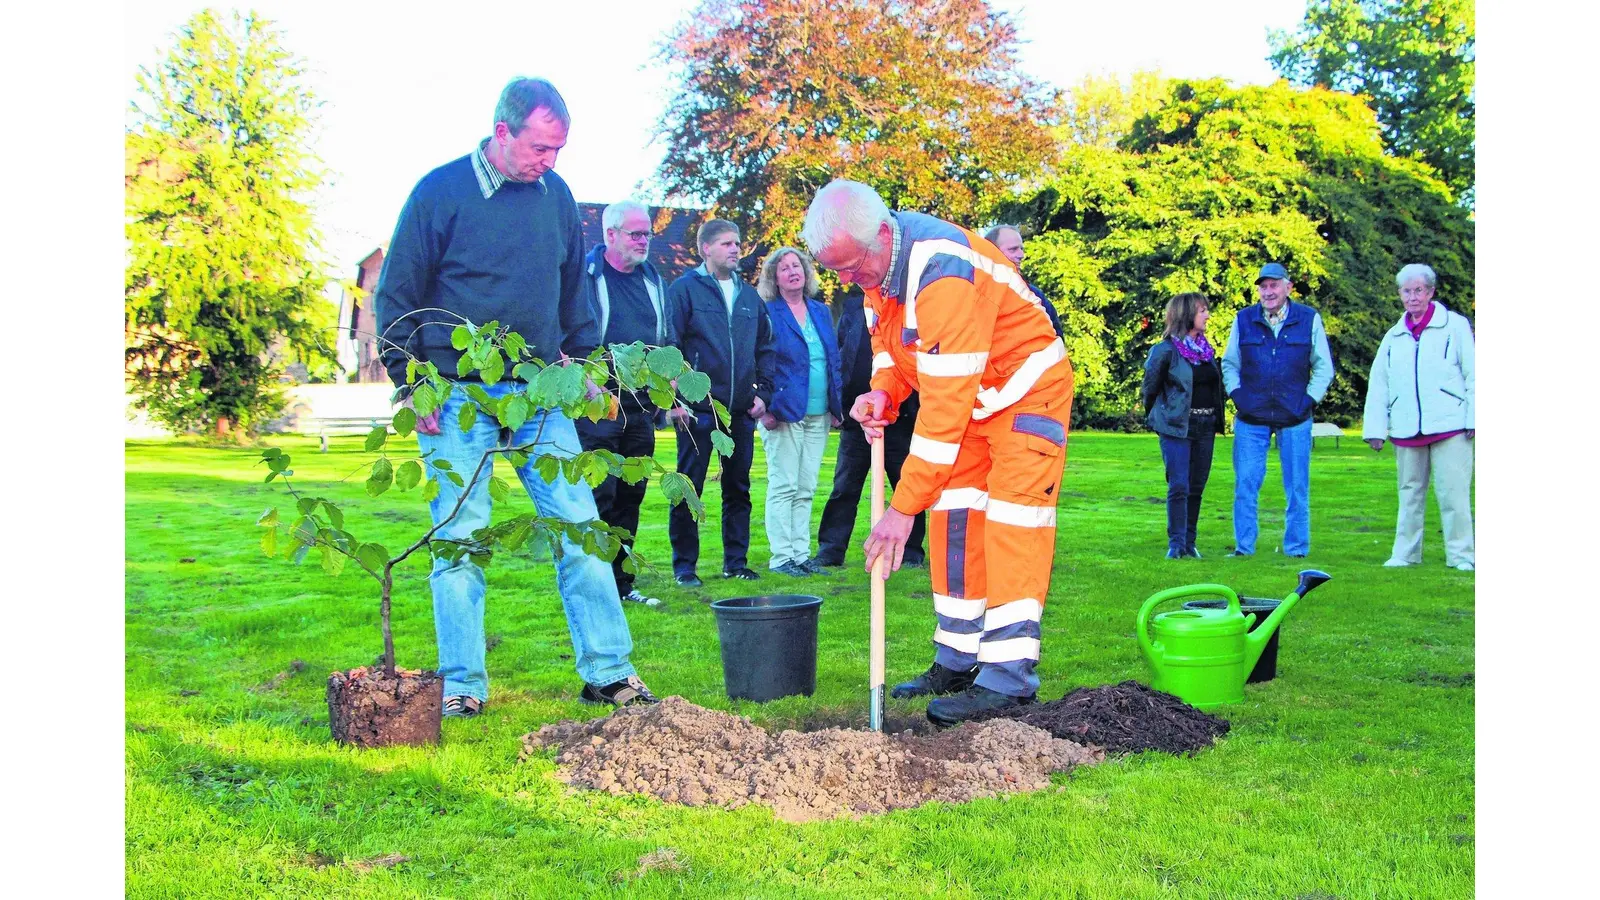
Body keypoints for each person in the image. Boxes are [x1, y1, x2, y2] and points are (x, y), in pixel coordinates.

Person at [373, 77, 658, 716]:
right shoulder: (439, 193)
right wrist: (412, 379)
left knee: (581, 527)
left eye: (558, 150)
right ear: (502, 132)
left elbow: (571, 294)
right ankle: (463, 687)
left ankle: (608, 672)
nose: (550, 162)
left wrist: (581, 365)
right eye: (539, 148)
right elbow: (394, 298)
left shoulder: (556, 197)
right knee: (460, 540)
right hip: (456, 395)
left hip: (538, 393)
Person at [803, 180, 1074, 725]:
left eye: (850, 267)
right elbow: (888, 343)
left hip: (1025, 394)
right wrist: (883, 390)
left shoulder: (943, 270)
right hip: (970, 404)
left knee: (1012, 524)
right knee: (954, 524)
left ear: (881, 234)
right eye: (836, 270)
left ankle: (1007, 678)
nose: (846, 279)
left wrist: (901, 511)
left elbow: (944, 410)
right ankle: (957, 659)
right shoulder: (878, 264)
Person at [665, 219, 777, 587]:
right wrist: (675, 400)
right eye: (727, 243)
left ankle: (736, 562)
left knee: (738, 489)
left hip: (740, 413)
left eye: (738, 242)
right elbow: (670, 347)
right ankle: (684, 567)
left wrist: (763, 394)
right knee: (689, 488)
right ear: (706, 249)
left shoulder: (749, 298)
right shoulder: (684, 291)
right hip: (696, 413)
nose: (736, 249)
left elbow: (766, 349)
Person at [572, 200, 674, 606]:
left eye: (647, 233)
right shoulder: (586, 276)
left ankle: (622, 587)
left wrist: (668, 393)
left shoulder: (653, 280)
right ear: (609, 235)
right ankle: (594, 590)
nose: (644, 240)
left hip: (639, 408)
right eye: (635, 233)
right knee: (601, 496)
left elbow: (664, 341)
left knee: (632, 497)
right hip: (597, 406)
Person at [1361, 264, 1475, 571]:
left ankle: (1462, 556)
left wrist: (1474, 418)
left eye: (1419, 290)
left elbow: (1473, 373)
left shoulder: (1455, 325)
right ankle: (1405, 553)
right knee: (1409, 493)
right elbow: (1379, 383)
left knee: (1453, 493)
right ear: (1399, 294)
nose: (1413, 297)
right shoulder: (1393, 336)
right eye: (1407, 291)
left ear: (1431, 292)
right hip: (1406, 427)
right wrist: (1375, 429)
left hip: (1451, 425)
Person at [1221, 262, 1334, 558]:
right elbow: (1229, 364)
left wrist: (1308, 400)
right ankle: (1244, 548)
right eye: (1263, 286)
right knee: (1246, 483)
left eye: (1273, 285)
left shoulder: (1309, 319)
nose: (1268, 291)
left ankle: (1296, 549)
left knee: (1297, 487)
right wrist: (1237, 396)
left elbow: (1323, 367)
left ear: (1288, 287)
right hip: (1250, 417)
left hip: (1295, 417)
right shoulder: (1243, 319)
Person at [813, 297, 928, 570]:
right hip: (858, 419)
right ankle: (830, 551)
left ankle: (910, 552)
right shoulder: (853, 307)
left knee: (905, 483)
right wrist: (843, 405)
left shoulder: (905, 305)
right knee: (844, 487)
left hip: (900, 417)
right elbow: (841, 356)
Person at [756, 248, 844, 577]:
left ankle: (801, 555)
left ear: (806, 272)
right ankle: (782, 558)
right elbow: (760, 360)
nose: (793, 271)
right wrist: (765, 406)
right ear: (774, 278)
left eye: (797, 266)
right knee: (785, 485)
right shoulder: (767, 312)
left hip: (819, 412)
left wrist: (837, 407)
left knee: (806, 487)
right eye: (784, 268)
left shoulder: (820, 311)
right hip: (783, 412)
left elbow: (831, 359)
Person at [1141, 293, 1224, 559]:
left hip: (1205, 425)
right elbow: (1149, 389)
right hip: (1176, 427)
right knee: (1179, 485)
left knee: (1197, 485)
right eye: (1202, 310)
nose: (1207, 315)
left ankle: (1190, 542)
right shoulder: (1165, 350)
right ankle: (1176, 544)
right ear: (1186, 314)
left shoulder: (1206, 351)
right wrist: (1160, 418)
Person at [983, 224, 1065, 340]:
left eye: (1021, 249)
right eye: (1013, 249)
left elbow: (1056, 339)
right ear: (991, 251)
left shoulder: (1034, 295)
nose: (1021, 255)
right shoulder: (975, 292)